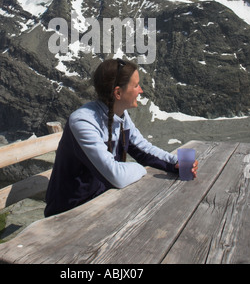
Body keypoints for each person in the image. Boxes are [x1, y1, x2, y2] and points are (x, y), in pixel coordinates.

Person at [44, 58, 198, 217]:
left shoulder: (120, 115)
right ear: (118, 92)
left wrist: (175, 164)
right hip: (68, 213)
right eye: (136, 85)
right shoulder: (83, 122)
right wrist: (141, 169)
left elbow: (143, 149)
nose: (141, 91)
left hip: (100, 204)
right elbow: (115, 175)